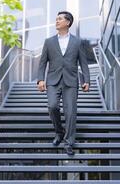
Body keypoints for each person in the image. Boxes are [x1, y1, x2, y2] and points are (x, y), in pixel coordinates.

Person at [37, 11, 90, 155]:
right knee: (52, 106)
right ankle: (59, 132)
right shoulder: (49, 42)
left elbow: (83, 63)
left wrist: (86, 80)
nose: (57, 21)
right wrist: (40, 79)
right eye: (56, 19)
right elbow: (42, 62)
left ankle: (68, 142)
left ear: (68, 22)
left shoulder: (77, 42)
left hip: (71, 80)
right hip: (53, 80)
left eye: (60, 19)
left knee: (71, 112)